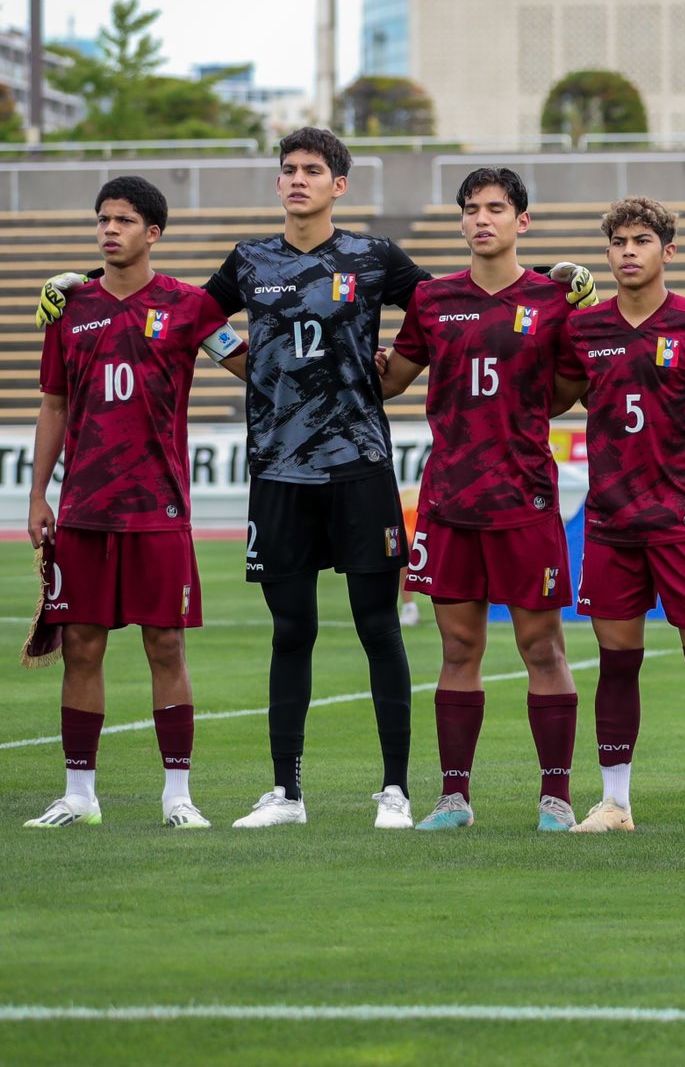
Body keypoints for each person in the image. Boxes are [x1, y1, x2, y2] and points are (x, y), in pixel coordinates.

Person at [33, 130, 598, 829]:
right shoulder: (248, 261)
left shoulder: (374, 257)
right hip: (277, 469)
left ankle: (396, 791)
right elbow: (185, 317)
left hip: (359, 464)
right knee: (290, 630)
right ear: (278, 184)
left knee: (378, 627)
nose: (297, 179)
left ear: (340, 185)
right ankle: (287, 794)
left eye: (313, 170)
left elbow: (463, 299)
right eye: (288, 170)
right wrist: (85, 289)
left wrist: (547, 274)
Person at [24, 177, 245, 828]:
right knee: (82, 647)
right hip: (86, 509)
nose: (109, 230)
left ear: (153, 232)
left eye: (123, 220)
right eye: (102, 220)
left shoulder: (190, 308)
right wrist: (37, 492)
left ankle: (178, 797)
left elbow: (250, 366)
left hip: (160, 511)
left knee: (166, 647)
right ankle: (78, 796)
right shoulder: (69, 306)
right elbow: (55, 404)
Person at [377, 167, 581, 832]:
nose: (481, 219)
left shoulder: (554, 300)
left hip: (524, 498)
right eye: (471, 209)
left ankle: (555, 798)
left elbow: (565, 392)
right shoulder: (433, 300)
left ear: (524, 221)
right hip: (450, 500)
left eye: (495, 208)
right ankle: (453, 799)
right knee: (457, 651)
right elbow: (393, 381)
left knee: (542, 649)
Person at [553, 197, 685, 834]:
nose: (627, 252)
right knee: (617, 663)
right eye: (617, 242)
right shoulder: (584, 330)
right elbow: (553, 396)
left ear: (667, 251)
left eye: (641, 240)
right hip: (612, 522)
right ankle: (614, 803)